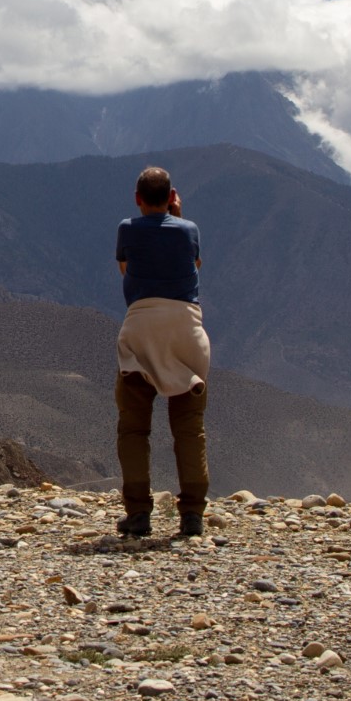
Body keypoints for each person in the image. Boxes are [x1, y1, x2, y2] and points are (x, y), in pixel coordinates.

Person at [113, 166, 211, 539]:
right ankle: (192, 516)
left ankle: (138, 513)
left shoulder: (127, 229)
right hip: (186, 327)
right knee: (189, 427)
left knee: (134, 426)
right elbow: (193, 265)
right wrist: (178, 217)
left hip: (141, 326)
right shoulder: (189, 230)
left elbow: (126, 269)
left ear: (137, 198)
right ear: (171, 198)